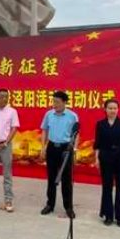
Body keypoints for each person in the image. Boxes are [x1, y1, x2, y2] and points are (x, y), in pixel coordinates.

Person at [94, 99, 120, 227]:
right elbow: (97, 143)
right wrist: (96, 159)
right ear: (105, 109)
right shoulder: (100, 124)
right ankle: (108, 216)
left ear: (118, 109)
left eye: (115, 108)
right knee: (107, 187)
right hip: (105, 157)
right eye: (110, 108)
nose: (113, 111)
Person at [39, 91, 79, 219]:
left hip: (66, 148)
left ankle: (68, 207)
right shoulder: (49, 114)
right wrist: (43, 147)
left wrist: (75, 149)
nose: (54, 104)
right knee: (51, 178)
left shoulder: (72, 116)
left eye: (57, 102)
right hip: (52, 148)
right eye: (53, 101)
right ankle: (50, 204)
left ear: (64, 102)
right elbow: (44, 130)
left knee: (67, 180)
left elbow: (76, 133)